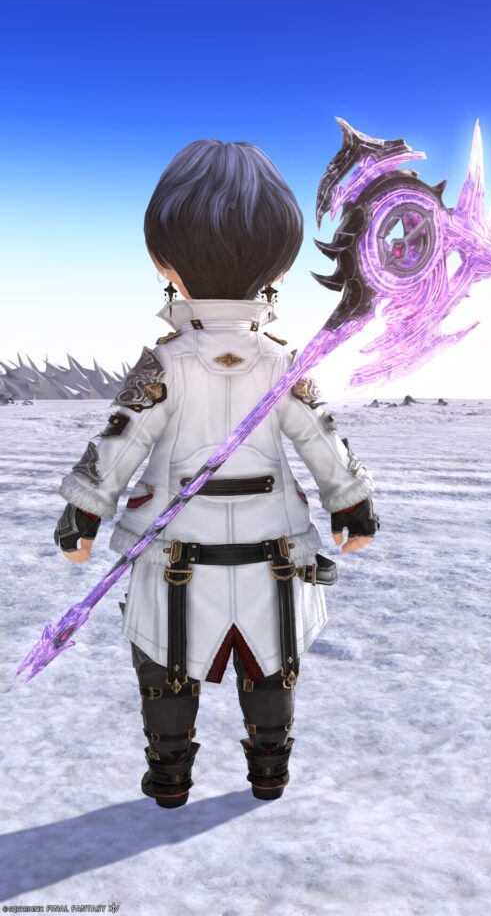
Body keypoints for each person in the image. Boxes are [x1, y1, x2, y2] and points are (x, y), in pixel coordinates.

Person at [53, 139, 380, 808]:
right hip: (271, 549)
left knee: (166, 664)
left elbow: (121, 440)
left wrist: (83, 511)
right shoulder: (283, 362)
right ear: (278, 265)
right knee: (271, 664)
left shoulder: (163, 363)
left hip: (176, 550)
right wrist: (352, 503)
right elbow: (320, 437)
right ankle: (269, 771)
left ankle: (170, 777)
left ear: (166, 265)